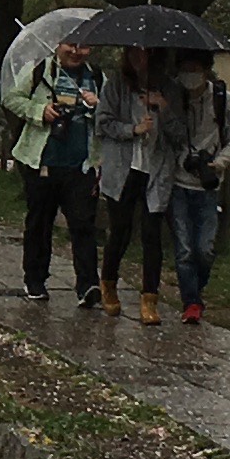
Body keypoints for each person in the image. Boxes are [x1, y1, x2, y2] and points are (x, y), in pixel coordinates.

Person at [93, 46, 185, 321]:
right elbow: (102, 123)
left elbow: (180, 134)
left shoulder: (170, 89)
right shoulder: (116, 85)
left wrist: (164, 109)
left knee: (151, 234)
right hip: (123, 169)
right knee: (120, 231)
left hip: (156, 171)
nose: (138, 58)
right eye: (133, 53)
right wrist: (132, 129)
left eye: (144, 53)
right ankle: (108, 284)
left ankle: (150, 298)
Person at [17, 45, 102, 304]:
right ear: (58, 45)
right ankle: (35, 280)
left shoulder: (97, 77)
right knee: (40, 223)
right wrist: (39, 111)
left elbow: (111, 115)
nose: (76, 51)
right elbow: (12, 98)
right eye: (70, 45)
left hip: (81, 164)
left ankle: (88, 285)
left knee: (83, 224)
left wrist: (98, 106)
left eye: (84, 46)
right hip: (42, 161)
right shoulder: (39, 71)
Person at [167, 61, 230, 326]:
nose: (190, 74)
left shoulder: (223, 100)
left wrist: (218, 163)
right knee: (184, 249)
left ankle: (196, 290)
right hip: (178, 185)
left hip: (208, 188)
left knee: (205, 249)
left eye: (196, 68)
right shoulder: (173, 100)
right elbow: (166, 137)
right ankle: (192, 303)